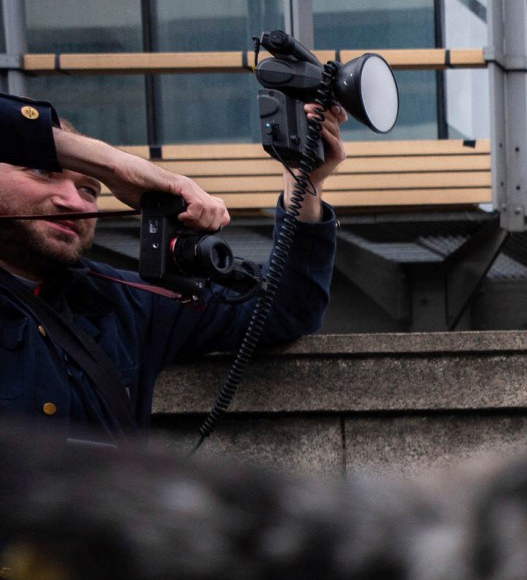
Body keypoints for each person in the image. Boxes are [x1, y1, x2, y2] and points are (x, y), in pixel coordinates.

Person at [0, 90, 344, 434]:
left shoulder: (123, 301)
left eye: (91, 189)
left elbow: (283, 309)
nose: (72, 201)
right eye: (42, 172)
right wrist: (115, 166)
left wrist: (304, 182)